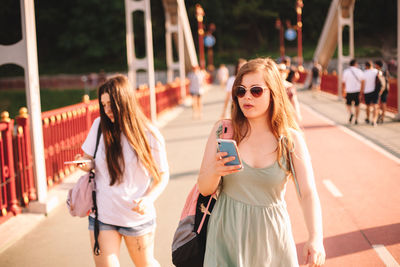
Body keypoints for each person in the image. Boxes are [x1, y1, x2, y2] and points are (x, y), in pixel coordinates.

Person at [198, 58, 325, 267]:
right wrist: (215, 171)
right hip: (226, 234)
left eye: (256, 90)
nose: (247, 96)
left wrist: (316, 237)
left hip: (272, 238)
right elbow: (204, 188)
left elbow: (308, 193)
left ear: (273, 92)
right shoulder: (223, 131)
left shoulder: (290, 139)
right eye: (241, 91)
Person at [75, 74, 169, 267]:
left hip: (136, 216)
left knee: (146, 264)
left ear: (125, 101)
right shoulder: (99, 127)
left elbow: (162, 175)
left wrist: (149, 199)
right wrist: (85, 164)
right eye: (104, 105)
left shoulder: (149, 134)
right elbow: (89, 159)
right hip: (103, 215)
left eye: (111, 104)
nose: (107, 110)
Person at [342, 59, 365, 125]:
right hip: (357, 91)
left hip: (349, 91)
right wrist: (361, 91)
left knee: (348, 104)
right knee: (357, 105)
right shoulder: (359, 71)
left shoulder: (346, 71)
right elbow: (363, 81)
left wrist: (344, 90)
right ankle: (356, 119)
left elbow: (343, 82)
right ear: (355, 64)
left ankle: (351, 113)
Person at [363, 61, 379, 125]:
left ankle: (367, 118)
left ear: (366, 66)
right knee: (375, 105)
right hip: (375, 91)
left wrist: (361, 92)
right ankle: (374, 120)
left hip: (366, 91)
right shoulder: (376, 71)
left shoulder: (364, 73)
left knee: (368, 106)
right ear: (372, 65)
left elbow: (362, 83)